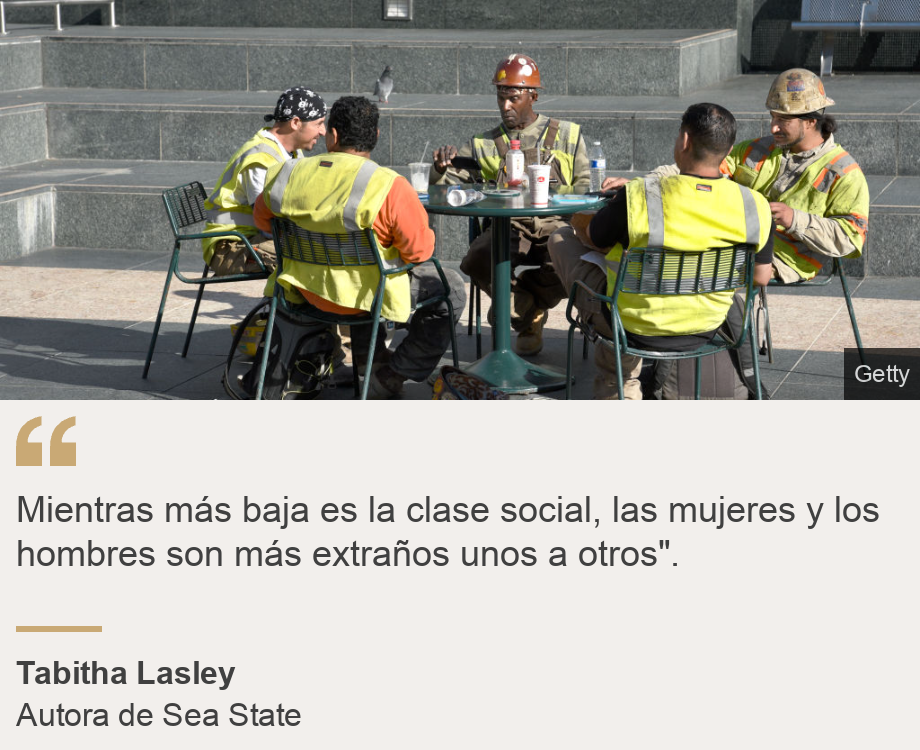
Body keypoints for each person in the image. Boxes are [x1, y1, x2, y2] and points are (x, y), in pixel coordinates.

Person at [547, 103, 775, 399]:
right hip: (707, 324)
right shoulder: (755, 205)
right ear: (729, 150)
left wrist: (579, 219)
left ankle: (621, 387)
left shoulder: (641, 195)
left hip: (632, 325)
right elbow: (760, 277)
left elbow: (593, 237)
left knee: (561, 239)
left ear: (683, 141)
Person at [252, 96, 465, 399]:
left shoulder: (287, 173)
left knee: (371, 277)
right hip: (364, 297)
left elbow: (262, 220)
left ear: (333, 135)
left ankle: (371, 364)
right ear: (376, 136)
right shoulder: (389, 185)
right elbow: (418, 253)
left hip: (304, 292)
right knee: (451, 288)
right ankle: (392, 374)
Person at [430, 54, 590, 356]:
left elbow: (585, 186)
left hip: (556, 223)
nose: (505, 107)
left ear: (533, 97)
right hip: (509, 227)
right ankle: (526, 312)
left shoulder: (568, 134)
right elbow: (442, 188)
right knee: (477, 259)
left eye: (513, 98)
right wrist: (439, 168)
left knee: (570, 262)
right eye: (501, 98)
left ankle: (515, 309)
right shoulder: (483, 143)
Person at [202, 87, 327, 276]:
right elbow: (266, 222)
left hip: (253, 239)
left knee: (321, 250)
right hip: (231, 247)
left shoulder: (291, 152)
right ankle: (291, 305)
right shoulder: (260, 158)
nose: (323, 132)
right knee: (310, 255)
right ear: (295, 122)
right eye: (319, 124)